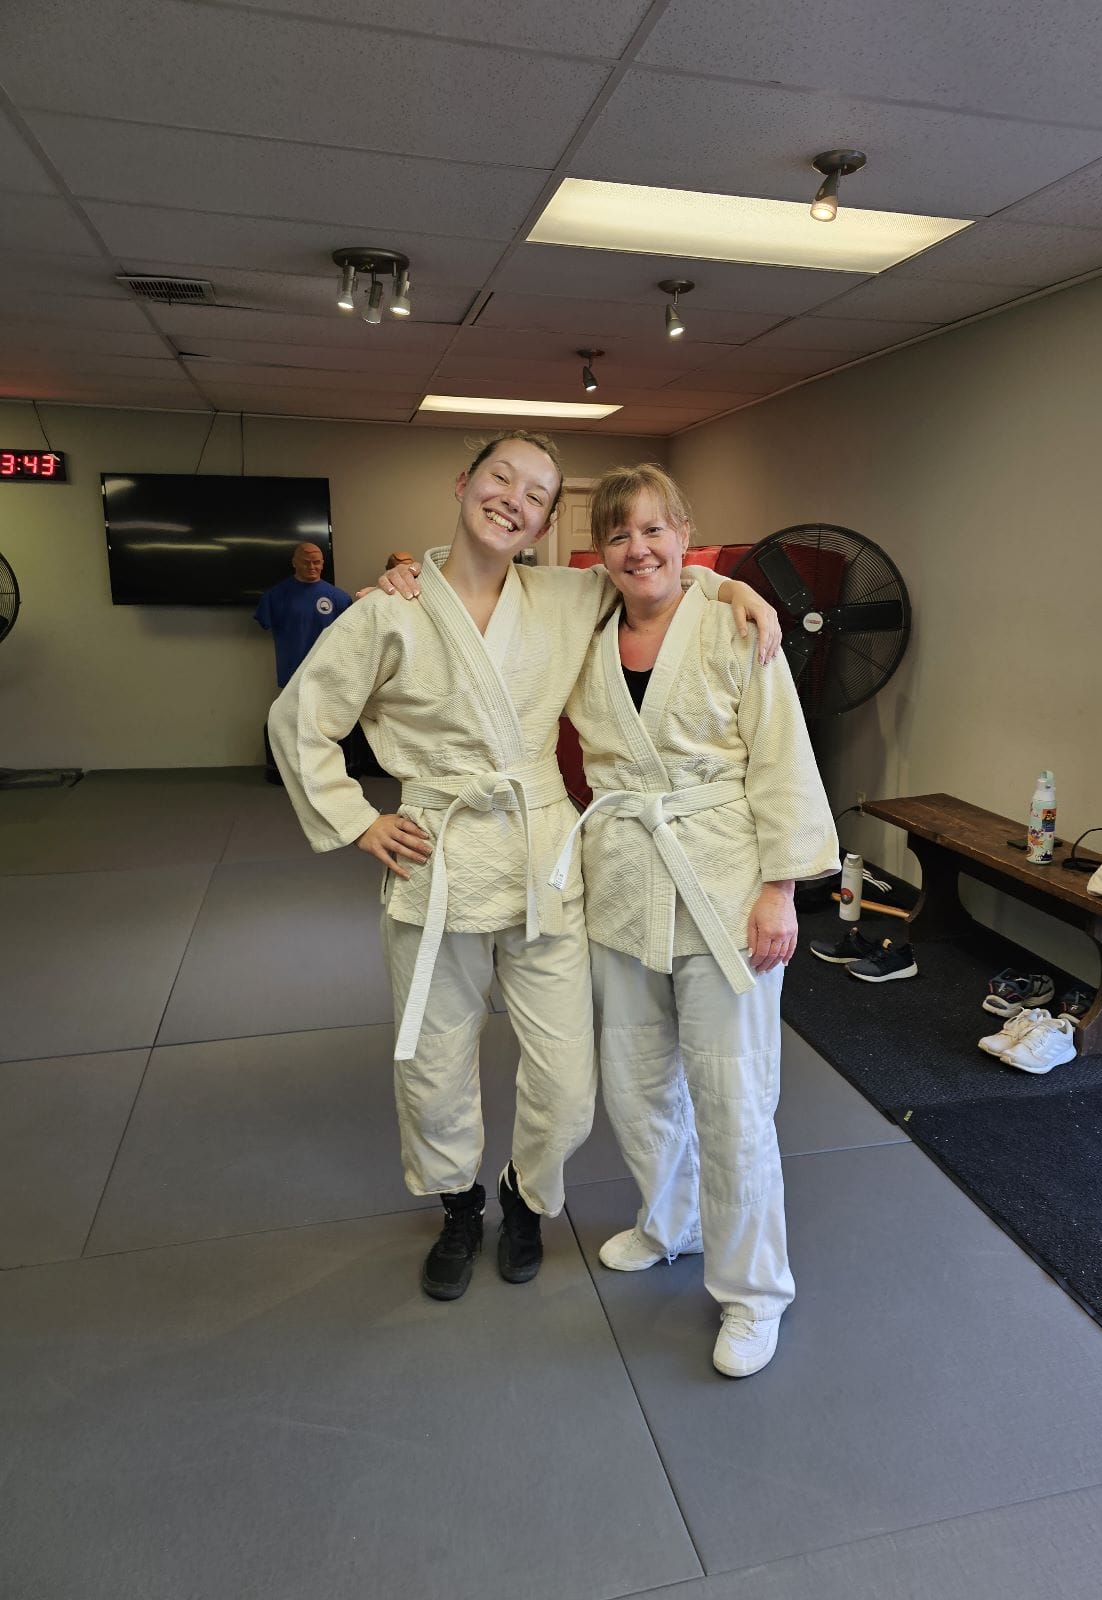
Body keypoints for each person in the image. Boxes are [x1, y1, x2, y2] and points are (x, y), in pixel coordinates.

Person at [268, 432, 781, 1304]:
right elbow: (299, 719)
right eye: (501, 477)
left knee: (570, 1081)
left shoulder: (565, 595)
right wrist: (357, 820)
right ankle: (460, 1205)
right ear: (463, 483)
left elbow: (653, 573)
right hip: (438, 859)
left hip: (544, 860)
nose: (514, 498)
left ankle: (526, 1194)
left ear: (545, 524)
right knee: (434, 1063)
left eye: (538, 494)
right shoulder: (389, 611)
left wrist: (733, 586)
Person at [549, 464, 839, 1378]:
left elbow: (783, 759)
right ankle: (668, 1220)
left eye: (654, 530)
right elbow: (497, 593)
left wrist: (781, 889)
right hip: (622, 885)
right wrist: (403, 576)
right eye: (618, 534)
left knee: (732, 1096)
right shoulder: (585, 627)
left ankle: (754, 1293)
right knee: (637, 1084)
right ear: (600, 552)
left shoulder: (736, 626)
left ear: (684, 534)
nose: (638, 549)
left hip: (723, 888)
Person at [255, 542, 352, 782]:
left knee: (327, 725)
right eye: (306, 561)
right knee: (292, 723)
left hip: (329, 673)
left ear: (323, 564)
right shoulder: (275, 597)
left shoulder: (339, 598)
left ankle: (327, 774)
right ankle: (293, 772)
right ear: (294, 562)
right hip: (293, 672)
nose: (312, 567)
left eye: (317, 562)